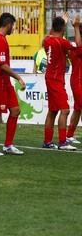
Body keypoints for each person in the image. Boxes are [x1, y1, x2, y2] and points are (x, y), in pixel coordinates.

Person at [0, 12, 26, 156]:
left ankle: (8, 145)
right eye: (12, 26)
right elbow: (2, 65)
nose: (13, 28)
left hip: (4, 83)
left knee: (15, 110)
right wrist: (18, 77)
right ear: (8, 25)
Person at [42, 13, 81, 150]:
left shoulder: (47, 41)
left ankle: (47, 141)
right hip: (56, 80)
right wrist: (76, 27)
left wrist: (61, 23)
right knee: (64, 110)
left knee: (53, 111)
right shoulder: (61, 43)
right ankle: (63, 142)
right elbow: (78, 45)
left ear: (52, 28)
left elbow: (47, 37)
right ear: (63, 29)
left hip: (50, 78)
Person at [66, 23, 82, 144]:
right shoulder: (76, 47)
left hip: (78, 81)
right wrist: (76, 27)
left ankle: (69, 135)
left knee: (77, 109)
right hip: (78, 82)